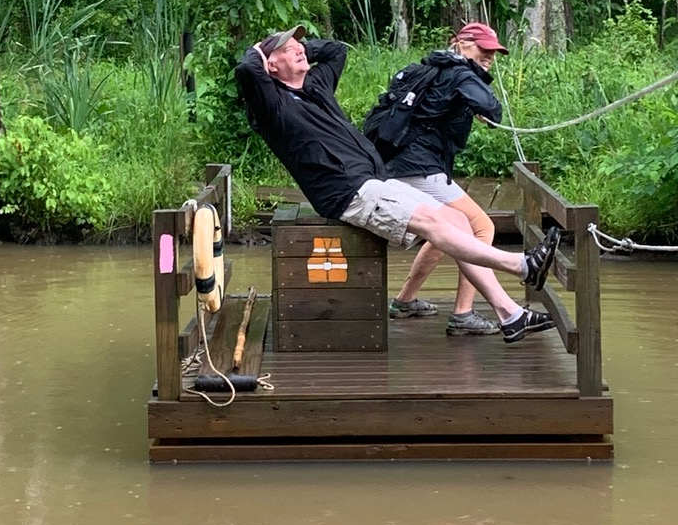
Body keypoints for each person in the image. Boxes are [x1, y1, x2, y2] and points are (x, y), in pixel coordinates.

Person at [235, 25, 561, 344]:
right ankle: (520, 265)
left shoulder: (315, 85)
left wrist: (298, 49)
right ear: (270, 66)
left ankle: (509, 315)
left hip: (375, 180)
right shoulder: (271, 105)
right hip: (350, 191)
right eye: (286, 49)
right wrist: (261, 53)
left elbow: (335, 51)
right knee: (436, 223)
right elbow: (246, 68)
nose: (298, 48)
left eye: (298, 45)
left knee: (460, 221)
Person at [378, 22, 553, 340]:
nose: (489, 56)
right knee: (479, 227)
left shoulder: (424, 69)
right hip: (417, 166)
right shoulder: (459, 72)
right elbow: (493, 109)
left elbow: (428, 110)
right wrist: (479, 104)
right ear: (459, 43)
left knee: (446, 230)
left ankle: (404, 301)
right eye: (483, 48)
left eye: (494, 51)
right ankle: (463, 314)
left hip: (395, 163)